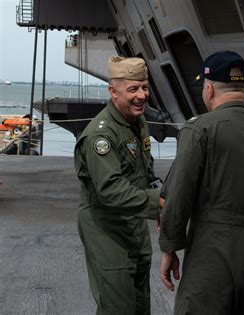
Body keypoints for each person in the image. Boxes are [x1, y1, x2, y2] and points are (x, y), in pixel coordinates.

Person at [159, 50, 244, 314]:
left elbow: (178, 194)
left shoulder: (200, 129)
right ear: (243, 87)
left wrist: (170, 246)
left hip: (215, 251)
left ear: (209, 88)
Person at [74, 56, 161, 314]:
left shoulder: (137, 122)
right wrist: (158, 203)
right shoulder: (101, 135)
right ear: (113, 92)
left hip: (134, 225)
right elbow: (110, 190)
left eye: (144, 87)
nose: (141, 95)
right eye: (132, 89)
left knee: (140, 305)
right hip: (107, 229)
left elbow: (145, 171)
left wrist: (160, 193)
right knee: (118, 308)